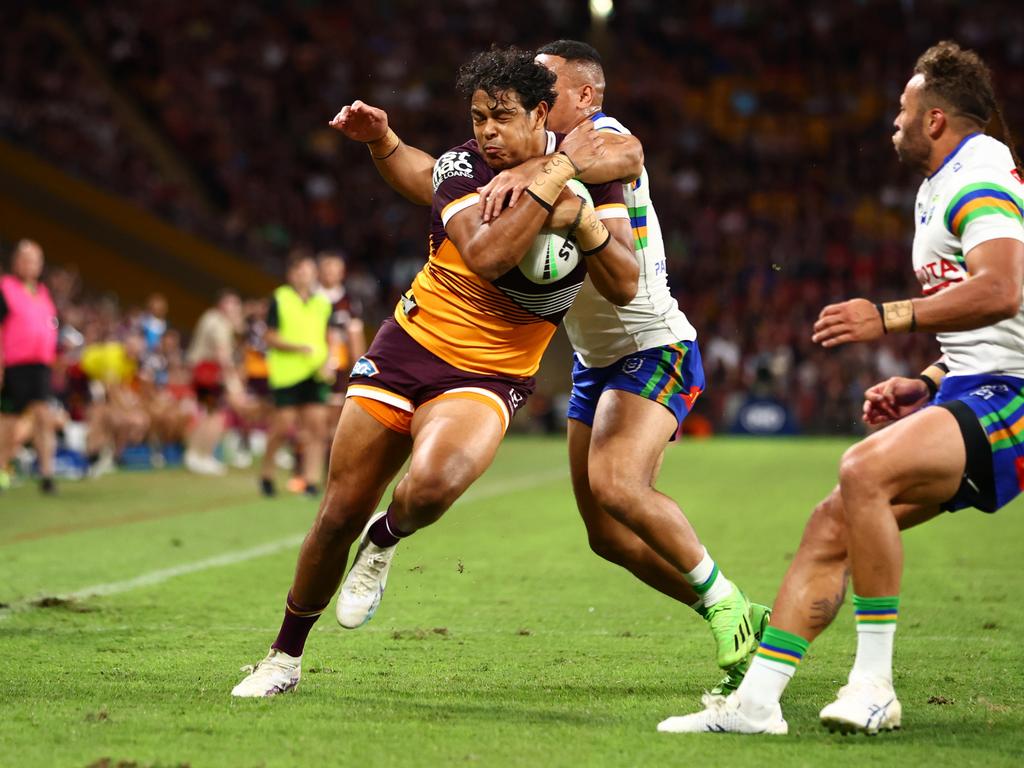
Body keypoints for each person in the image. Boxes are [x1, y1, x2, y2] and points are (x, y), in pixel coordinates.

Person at [328, 40, 768, 693]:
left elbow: (630, 154)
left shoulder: (595, 137)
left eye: (548, 85)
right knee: (607, 537)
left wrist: (551, 170)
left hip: (653, 346)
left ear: (584, 97)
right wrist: (388, 142)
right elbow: (433, 177)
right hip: (596, 362)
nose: (532, 94)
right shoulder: (525, 153)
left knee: (620, 486)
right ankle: (732, 611)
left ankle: (726, 602)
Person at [231, 46, 637, 697]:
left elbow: (622, 278)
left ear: (541, 112)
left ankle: (386, 538)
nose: (486, 132)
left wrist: (583, 214)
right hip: (407, 350)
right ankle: (284, 657)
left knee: (433, 487)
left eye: (501, 117)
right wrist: (550, 183)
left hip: (489, 372)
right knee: (336, 512)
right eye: (477, 116)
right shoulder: (462, 166)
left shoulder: (588, 169)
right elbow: (485, 251)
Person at [657, 40, 1024, 735]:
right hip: (977, 385)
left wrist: (887, 317)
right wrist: (925, 380)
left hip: (1013, 398)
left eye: (903, 108)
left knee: (863, 469)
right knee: (831, 526)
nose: (895, 119)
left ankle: (874, 686)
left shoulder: (981, 177)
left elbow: (1004, 290)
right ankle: (756, 705)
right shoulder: (944, 184)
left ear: (937, 118)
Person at [259, 251, 332, 498]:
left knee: (317, 428)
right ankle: (267, 472)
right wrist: (298, 348)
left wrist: (328, 360)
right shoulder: (280, 299)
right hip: (287, 374)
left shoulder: (322, 302)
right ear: (292, 274)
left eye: (310, 270)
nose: (306, 275)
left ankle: (311, 481)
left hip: (315, 372)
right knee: (283, 427)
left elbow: (326, 336)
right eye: (301, 270)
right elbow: (269, 336)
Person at [0, 240, 59, 494]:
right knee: (8, 421)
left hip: (40, 366)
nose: (30, 264)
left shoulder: (43, 293)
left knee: (44, 417)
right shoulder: (5, 288)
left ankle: (47, 475)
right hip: (14, 365)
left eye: (35, 259)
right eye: (25, 258)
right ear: (16, 262)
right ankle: (2, 469)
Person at [184, 289, 243, 476]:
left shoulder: (209, 317)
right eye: (231, 304)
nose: (235, 308)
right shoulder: (219, 323)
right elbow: (222, 353)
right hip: (209, 373)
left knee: (208, 414)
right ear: (222, 304)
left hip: (201, 371)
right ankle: (204, 456)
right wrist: (232, 380)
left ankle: (195, 455)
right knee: (216, 415)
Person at [317, 250, 366, 433]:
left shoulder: (349, 301)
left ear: (342, 273)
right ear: (320, 271)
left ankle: (328, 449)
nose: (331, 273)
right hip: (313, 358)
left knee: (336, 405)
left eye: (335, 269)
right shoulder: (311, 297)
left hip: (340, 360)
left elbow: (356, 333)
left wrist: (359, 368)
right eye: (327, 269)